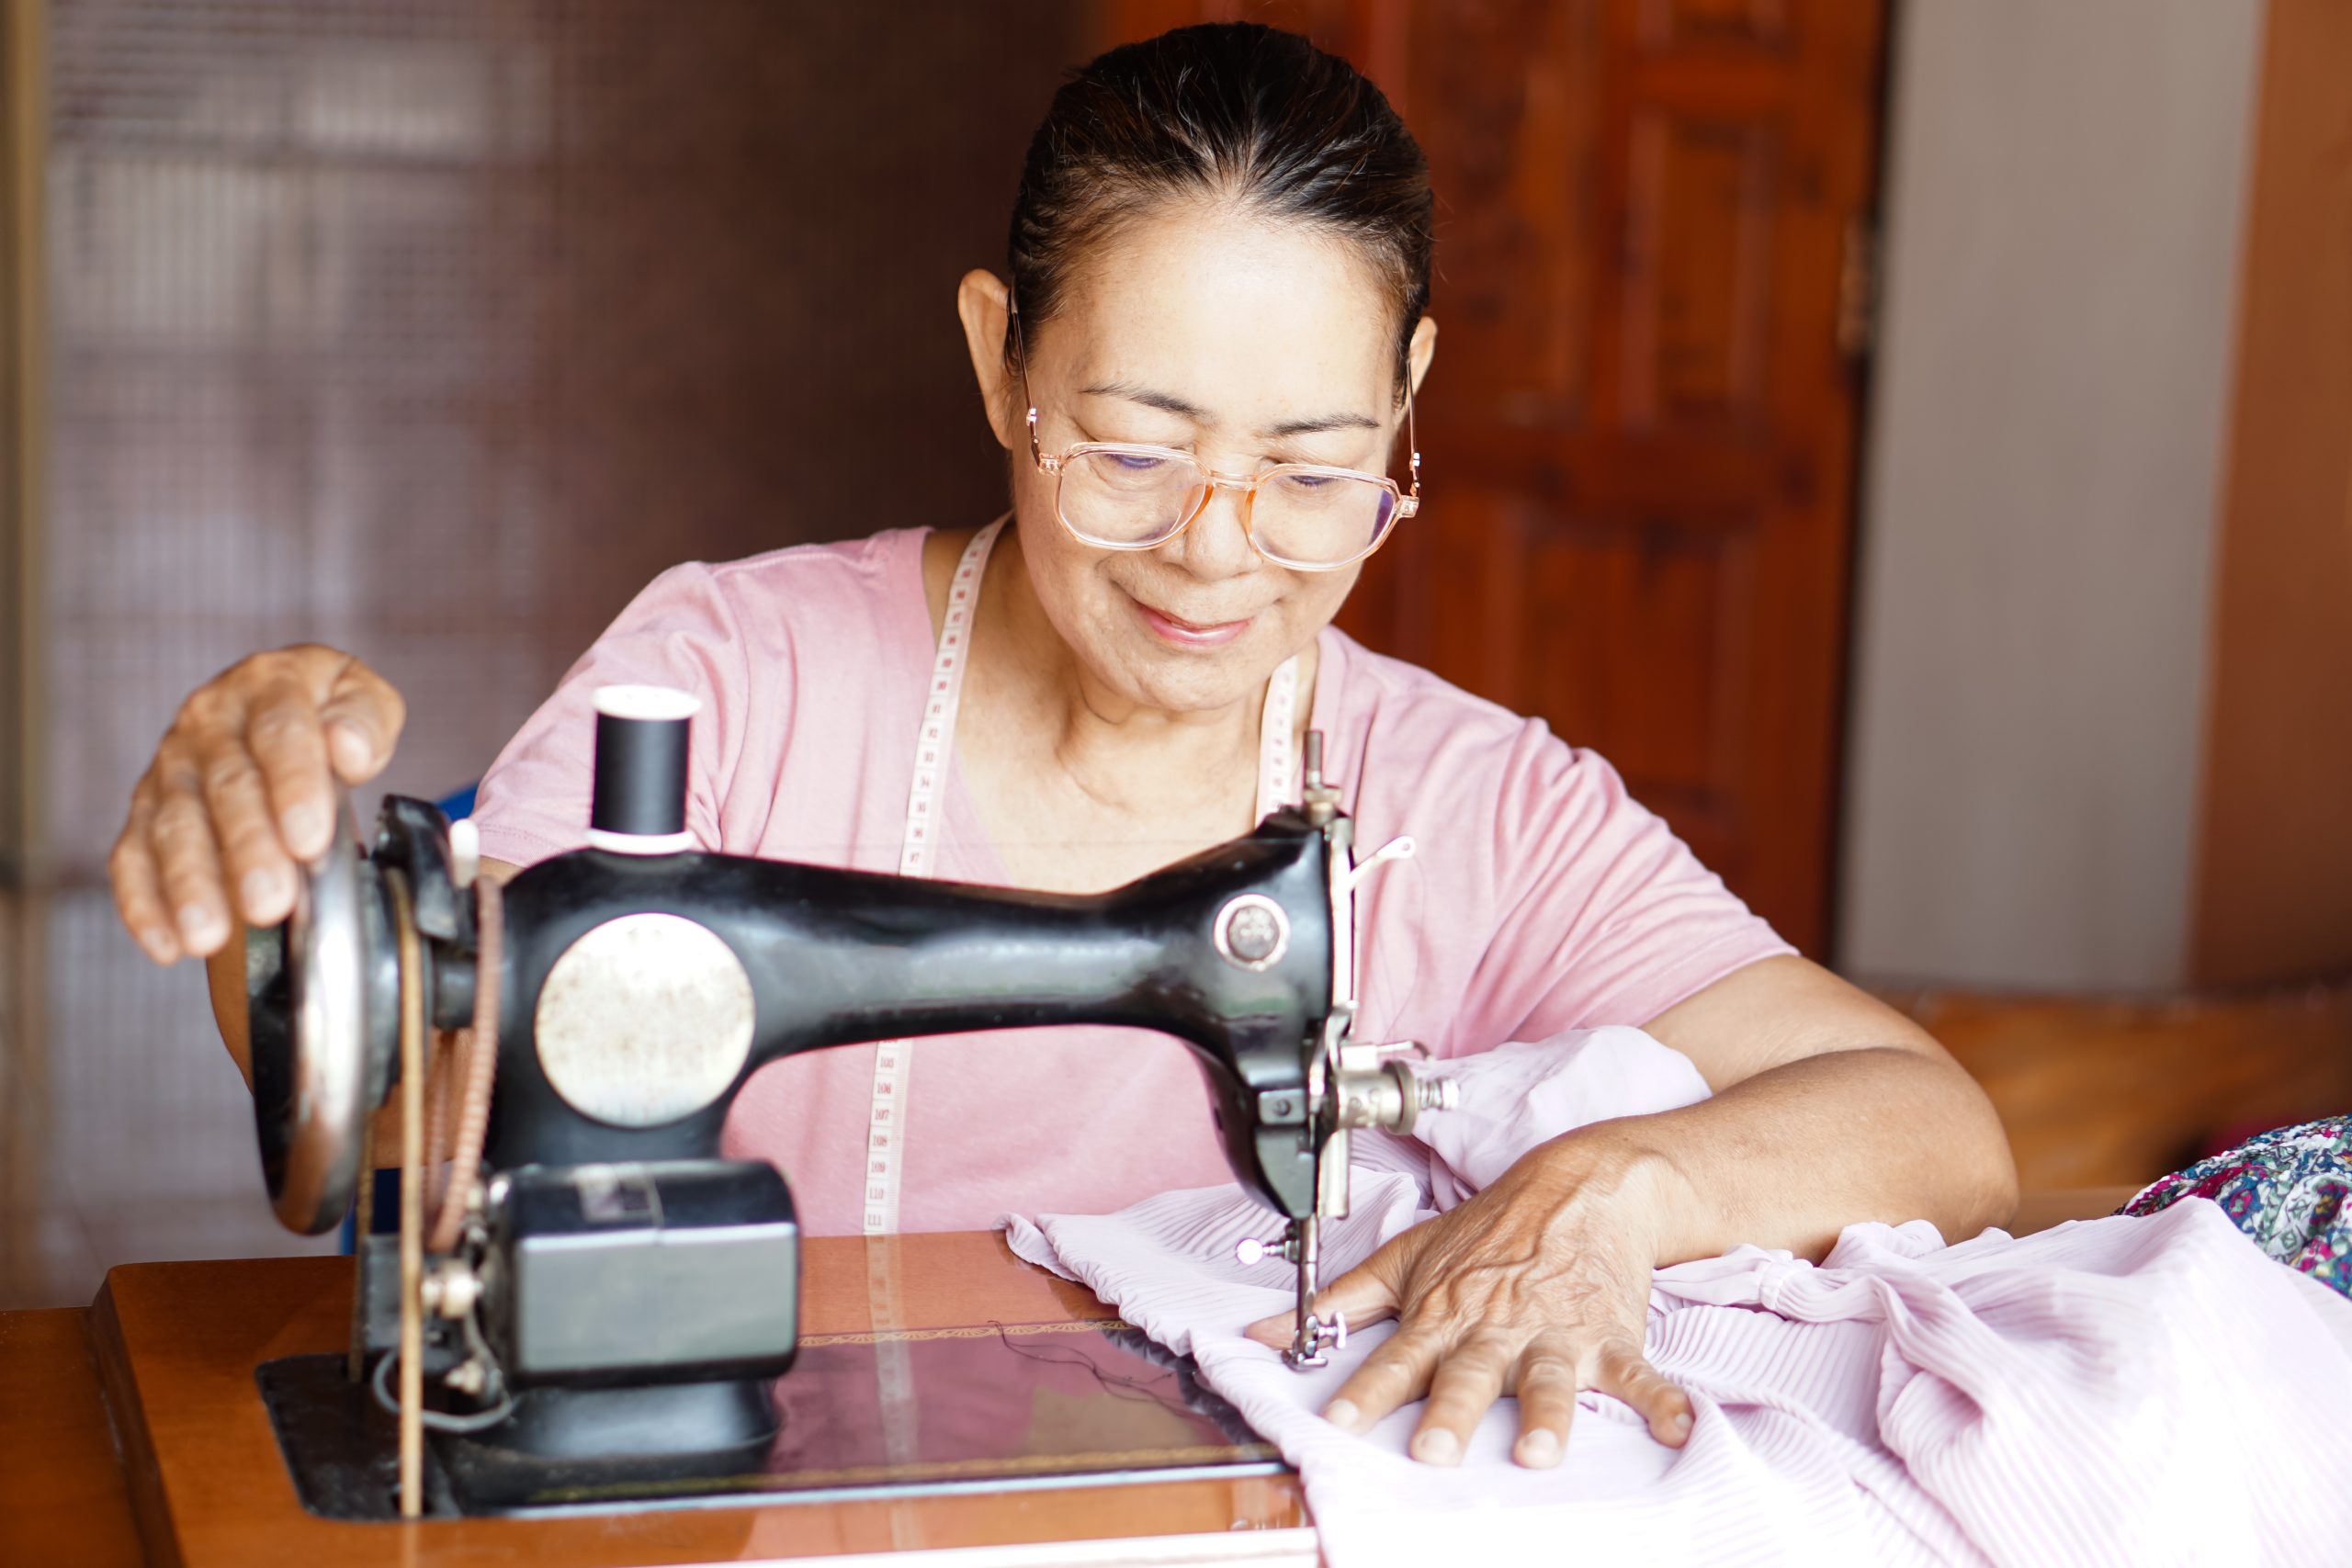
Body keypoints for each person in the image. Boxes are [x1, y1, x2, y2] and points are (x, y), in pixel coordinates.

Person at [105, 23, 2015, 1472]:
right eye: (1129, 444)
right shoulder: (740, 674)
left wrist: (1615, 1189)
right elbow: (417, 1098)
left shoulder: (1470, 804)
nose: (1213, 544)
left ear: (1409, 401)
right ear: (998, 360)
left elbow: (1930, 1121)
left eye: (1312, 467)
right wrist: (272, 901)